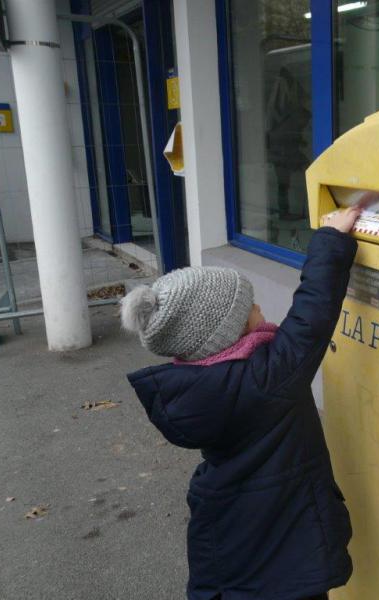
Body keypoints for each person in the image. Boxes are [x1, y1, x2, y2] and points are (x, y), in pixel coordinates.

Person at [121, 207, 361, 600]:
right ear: (226, 332)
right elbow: (311, 317)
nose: (260, 309)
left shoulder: (196, 386)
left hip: (232, 535)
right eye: (250, 307)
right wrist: (331, 240)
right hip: (289, 548)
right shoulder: (267, 379)